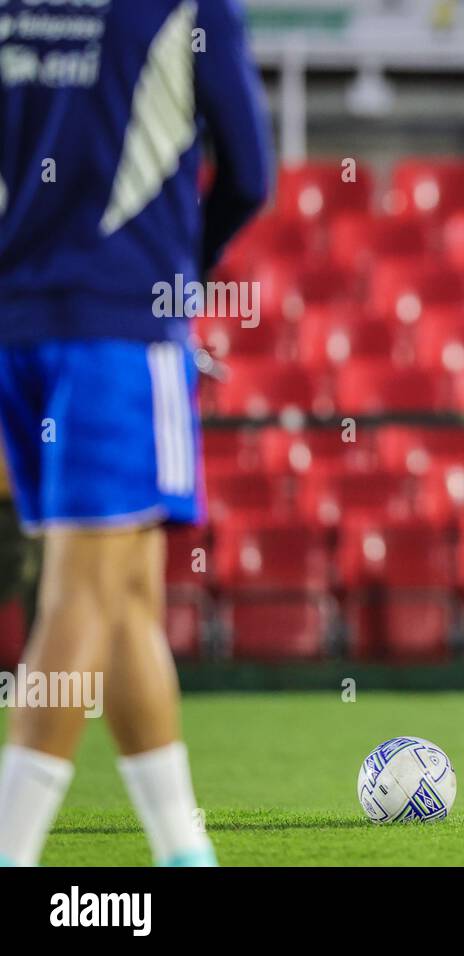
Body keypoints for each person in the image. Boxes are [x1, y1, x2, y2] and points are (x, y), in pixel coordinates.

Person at [0, 0, 271, 865]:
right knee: (79, 594)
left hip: (15, 330)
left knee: (126, 598)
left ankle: (183, 852)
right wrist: (179, 279)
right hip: (118, 328)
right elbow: (251, 174)